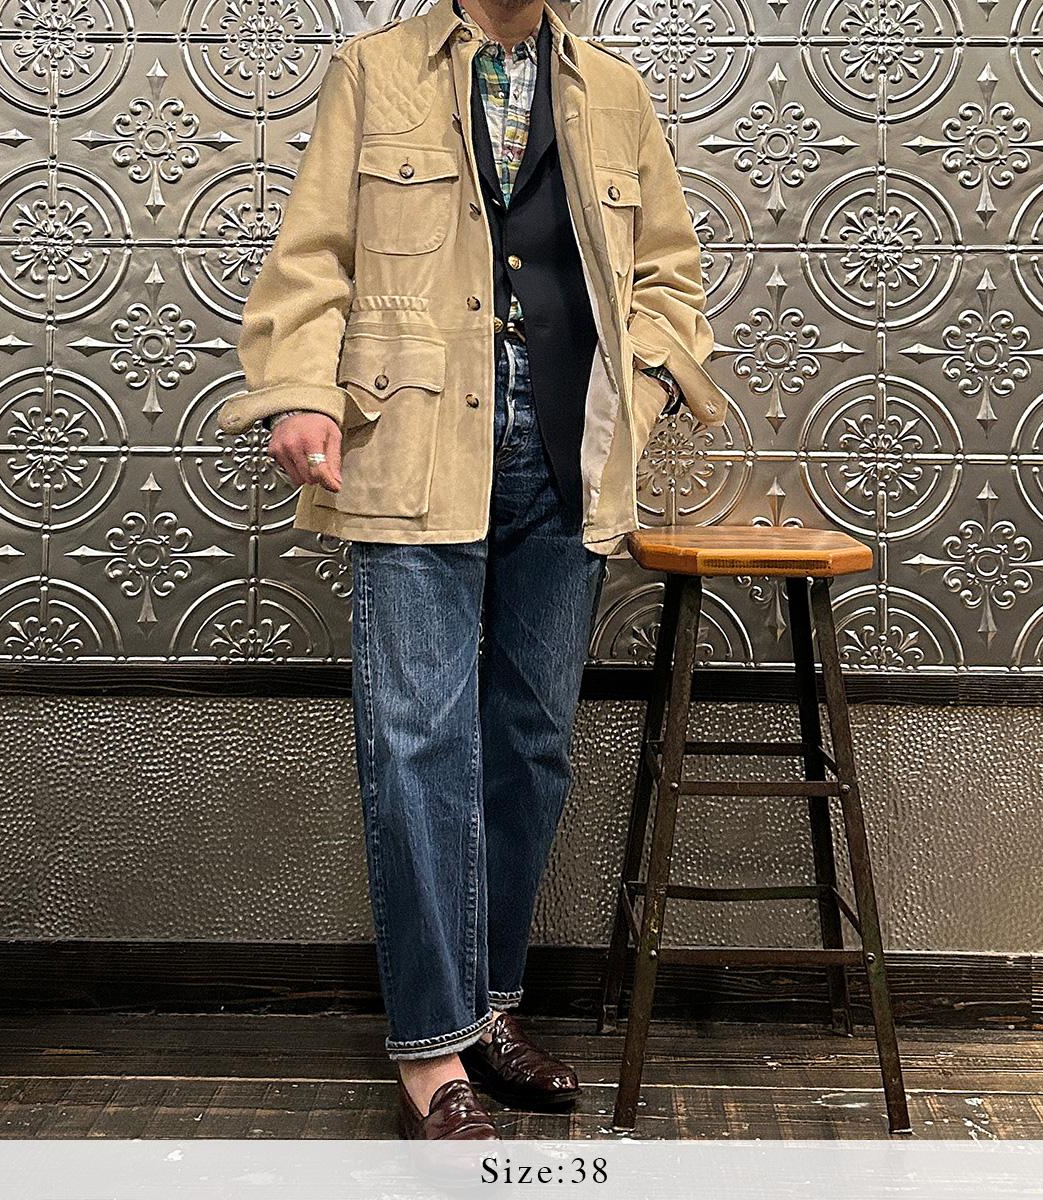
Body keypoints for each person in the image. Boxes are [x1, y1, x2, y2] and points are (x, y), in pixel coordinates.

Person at [216, 0, 728, 1140]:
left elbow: (669, 278)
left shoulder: (616, 91)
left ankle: (489, 1007)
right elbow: (311, 258)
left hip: (569, 453)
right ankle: (432, 1056)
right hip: (412, 442)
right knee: (418, 740)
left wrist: (643, 392)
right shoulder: (373, 71)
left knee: (532, 744)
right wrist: (299, 391)